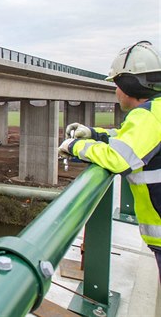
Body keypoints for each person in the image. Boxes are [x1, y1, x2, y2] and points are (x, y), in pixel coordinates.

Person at [58, 41, 161, 279]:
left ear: (127, 86)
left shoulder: (148, 116)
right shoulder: (153, 112)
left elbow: (118, 159)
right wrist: (95, 134)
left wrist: (76, 146)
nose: (115, 92)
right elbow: (131, 142)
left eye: (115, 85)